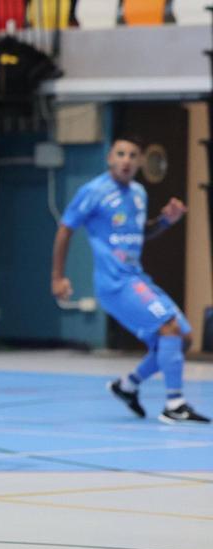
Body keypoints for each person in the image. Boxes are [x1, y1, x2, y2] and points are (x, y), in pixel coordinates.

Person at [52, 135, 208, 424]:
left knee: (183, 338)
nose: (126, 160)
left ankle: (127, 385)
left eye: (132, 155)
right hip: (116, 284)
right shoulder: (93, 191)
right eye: (120, 154)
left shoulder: (138, 193)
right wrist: (58, 277)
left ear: (138, 162)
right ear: (110, 158)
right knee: (169, 326)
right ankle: (174, 403)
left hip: (137, 279)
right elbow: (65, 229)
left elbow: (141, 233)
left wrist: (164, 222)